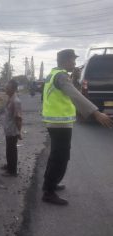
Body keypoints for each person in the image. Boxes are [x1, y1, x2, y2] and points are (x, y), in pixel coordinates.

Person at [41, 49, 113, 205]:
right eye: (72, 60)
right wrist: (96, 113)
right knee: (60, 158)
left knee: (56, 156)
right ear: (65, 61)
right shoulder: (61, 76)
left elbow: (65, 92)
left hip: (54, 122)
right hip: (59, 123)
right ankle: (48, 192)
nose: (74, 63)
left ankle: (50, 184)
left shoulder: (53, 74)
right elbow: (75, 95)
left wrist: (73, 77)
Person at [1, 79, 22, 177]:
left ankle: (12, 171)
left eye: (7, 88)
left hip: (13, 131)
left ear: (13, 89)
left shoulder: (15, 101)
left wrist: (19, 132)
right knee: (9, 149)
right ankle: (9, 165)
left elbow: (18, 118)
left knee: (12, 150)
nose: (5, 89)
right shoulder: (10, 98)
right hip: (9, 129)